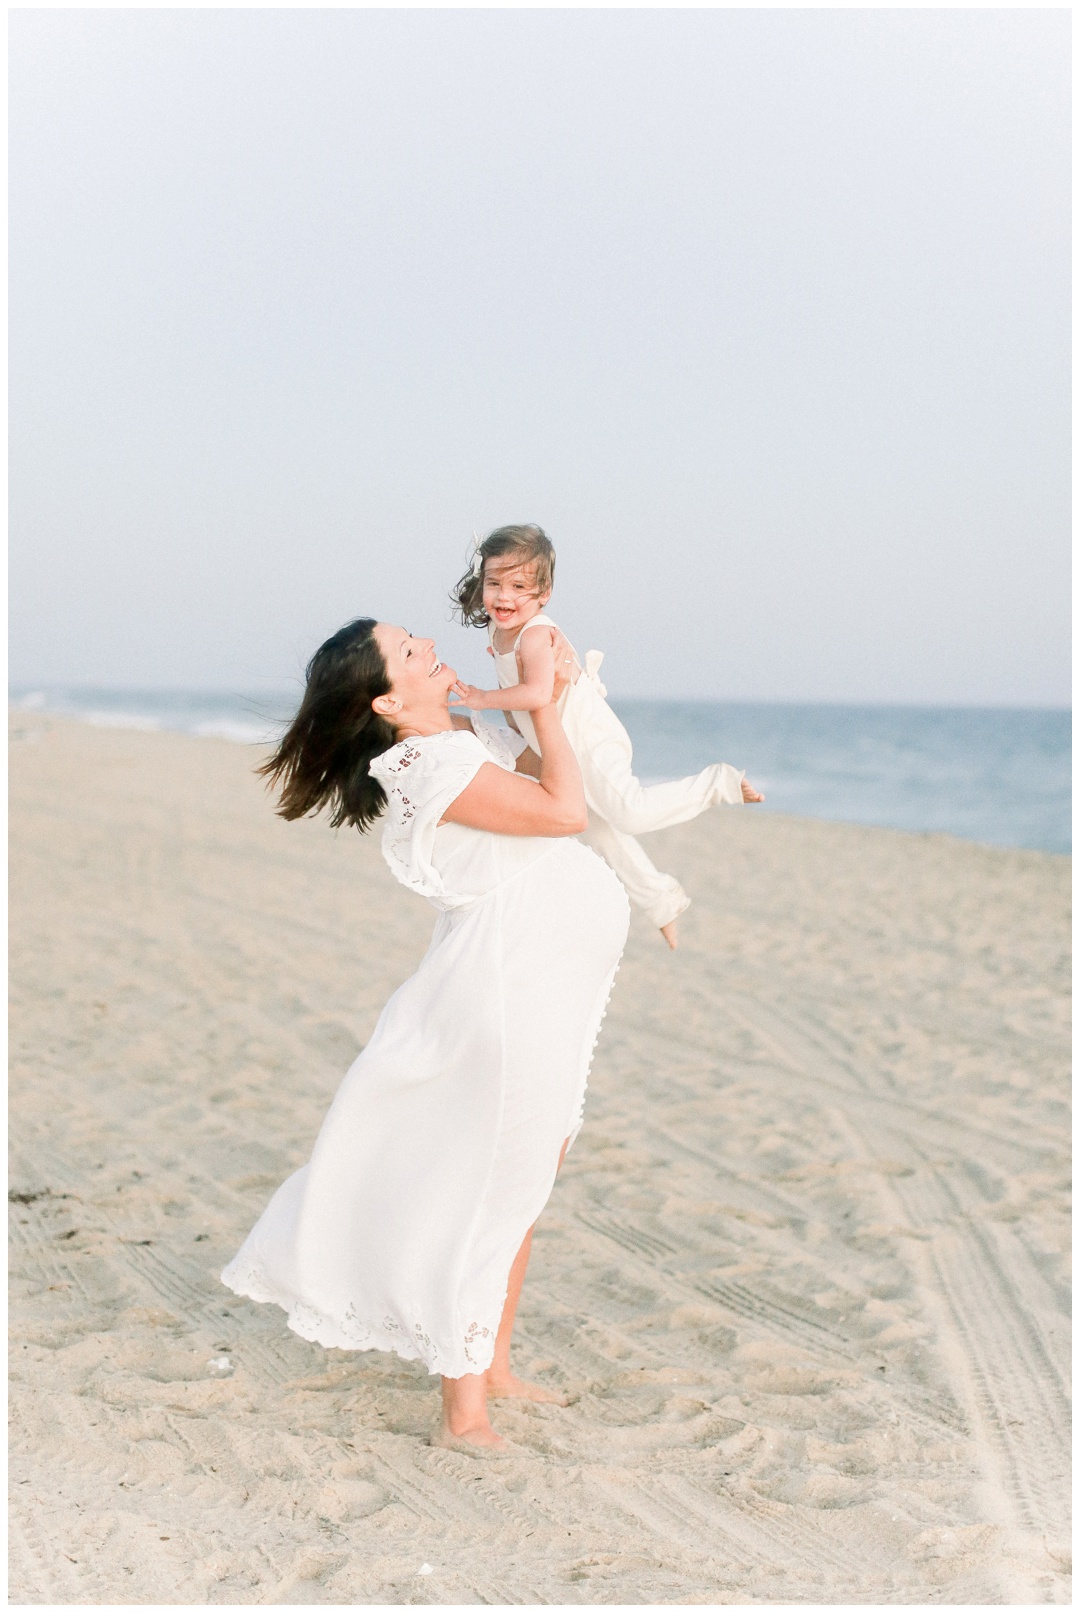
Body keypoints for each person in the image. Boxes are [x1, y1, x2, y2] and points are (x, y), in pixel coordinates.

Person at [221, 617, 629, 1449]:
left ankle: (495, 1363)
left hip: (542, 989)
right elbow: (562, 812)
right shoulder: (427, 764)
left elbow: (542, 781)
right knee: (487, 1194)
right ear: (387, 699)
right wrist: (545, 714)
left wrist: (542, 699)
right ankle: (464, 1411)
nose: (428, 648)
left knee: (523, 1187)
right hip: (507, 994)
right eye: (410, 653)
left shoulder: (459, 741)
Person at [451, 525, 764, 950]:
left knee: (629, 812)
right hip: (558, 744)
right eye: (495, 584)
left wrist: (483, 698)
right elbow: (523, 697)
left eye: (519, 586)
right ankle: (661, 902)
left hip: (589, 738)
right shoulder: (499, 627)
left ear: (544, 594)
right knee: (600, 831)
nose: (504, 597)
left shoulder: (536, 635)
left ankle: (717, 783)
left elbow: (540, 693)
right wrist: (510, 724)